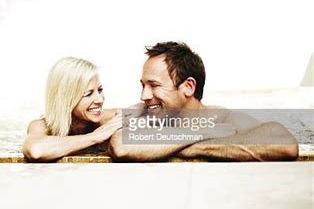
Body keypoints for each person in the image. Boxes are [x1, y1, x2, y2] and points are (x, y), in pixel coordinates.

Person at [108, 41, 299, 162]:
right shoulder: (145, 113)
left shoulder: (223, 118)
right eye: (143, 85)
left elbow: (285, 143)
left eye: (154, 85)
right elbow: (120, 145)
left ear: (188, 87)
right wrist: (202, 132)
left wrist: (191, 147)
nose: (144, 95)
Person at [23, 57, 122, 162]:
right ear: (66, 99)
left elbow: (139, 111)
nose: (100, 99)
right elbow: (36, 151)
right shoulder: (42, 126)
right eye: (88, 94)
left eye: (100, 90)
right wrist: (95, 136)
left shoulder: (110, 120)